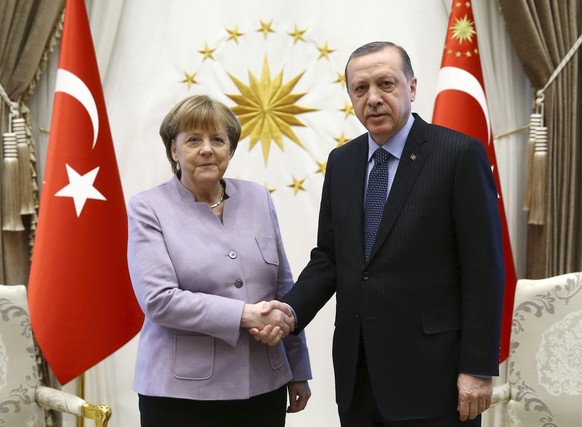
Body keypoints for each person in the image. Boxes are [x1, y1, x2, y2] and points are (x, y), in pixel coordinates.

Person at [253, 41, 505, 426]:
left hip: (434, 377)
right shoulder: (343, 161)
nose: (372, 98)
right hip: (359, 376)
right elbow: (330, 258)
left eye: (386, 84)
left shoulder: (458, 155)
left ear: (412, 87)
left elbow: (483, 270)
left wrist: (477, 368)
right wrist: (290, 311)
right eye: (360, 89)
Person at [127, 95, 312, 427]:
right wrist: (244, 314)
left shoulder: (257, 197)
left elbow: (284, 288)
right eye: (194, 139)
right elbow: (159, 300)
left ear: (230, 148)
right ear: (174, 150)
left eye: (218, 139)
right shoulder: (147, 207)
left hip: (263, 386)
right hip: (180, 396)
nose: (207, 149)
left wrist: (297, 369)